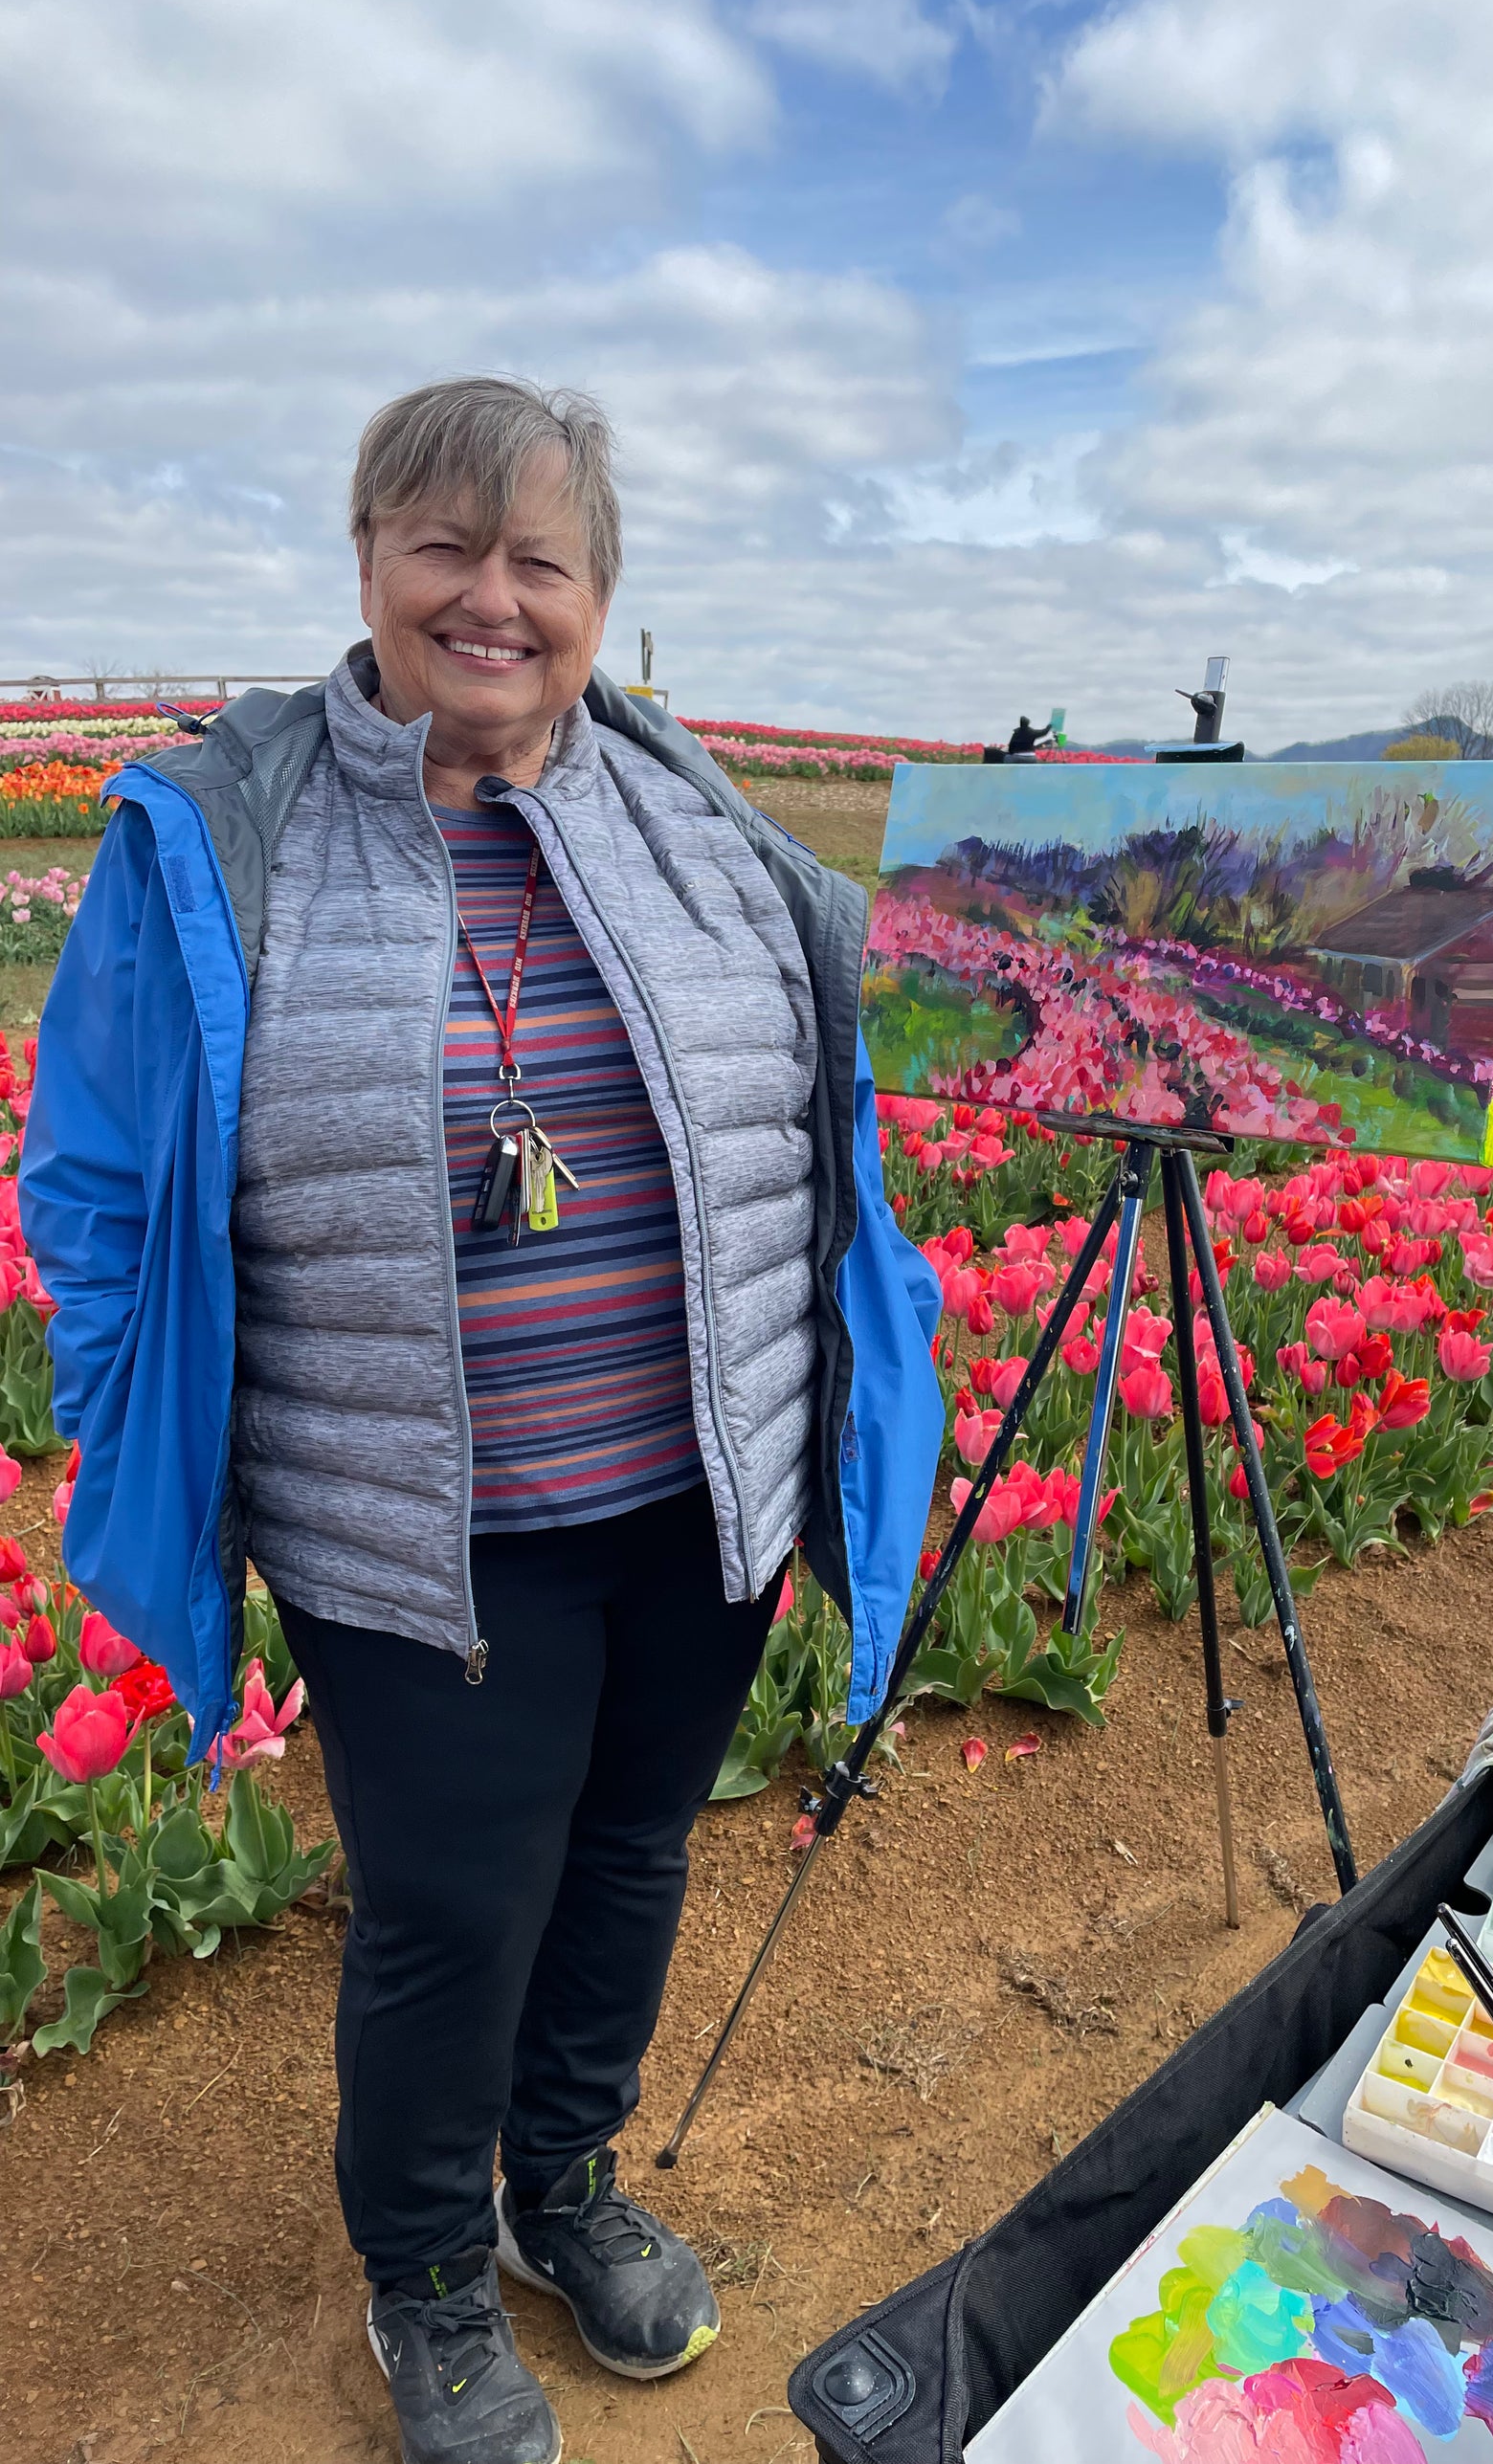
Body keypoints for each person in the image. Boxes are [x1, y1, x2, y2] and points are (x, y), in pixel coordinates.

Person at [22, 377, 945, 2464]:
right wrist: (133, 1413)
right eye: (446, 545)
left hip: (696, 1493)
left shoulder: (702, 828)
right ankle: (429, 2264)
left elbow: (829, 1122)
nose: (493, 597)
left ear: (598, 594)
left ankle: (566, 2185)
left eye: (541, 558)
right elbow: (85, 1179)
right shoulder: (226, 832)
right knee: (453, 1906)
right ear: (367, 562)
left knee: (627, 1856)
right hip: (406, 1521)